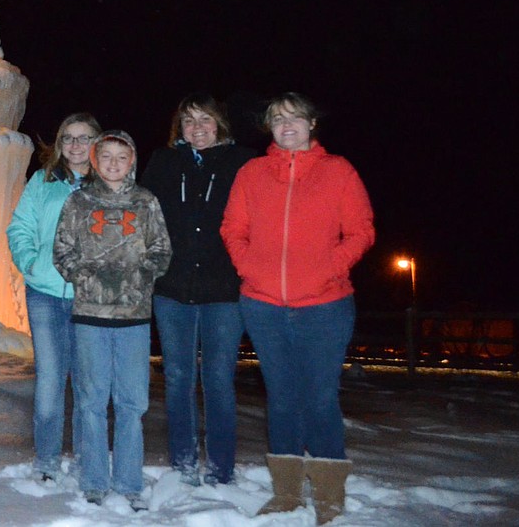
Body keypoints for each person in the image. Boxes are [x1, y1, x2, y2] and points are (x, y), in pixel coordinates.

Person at [220, 92, 375, 525]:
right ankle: (286, 492)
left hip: (325, 305)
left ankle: (328, 493)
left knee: (321, 397)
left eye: (294, 119)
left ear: (311, 124)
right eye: (277, 121)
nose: (286, 126)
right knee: (283, 398)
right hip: (264, 305)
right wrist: (251, 268)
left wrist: (330, 267)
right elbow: (233, 228)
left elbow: (361, 230)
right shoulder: (253, 173)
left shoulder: (337, 171)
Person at [139, 93, 255, 486]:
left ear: (220, 123)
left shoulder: (243, 163)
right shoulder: (164, 162)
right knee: (178, 376)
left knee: (219, 378)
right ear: (179, 128)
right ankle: (183, 462)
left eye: (206, 120)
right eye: (189, 121)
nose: (198, 128)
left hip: (225, 290)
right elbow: (143, 216)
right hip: (172, 289)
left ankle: (221, 467)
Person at [53, 130, 171, 510]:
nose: (114, 164)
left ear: (132, 160)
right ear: (95, 160)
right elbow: (62, 250)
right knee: (90, 399)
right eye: (107, 157)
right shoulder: (79, 202)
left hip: (133, 316)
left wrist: (139, 277)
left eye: (122, 157)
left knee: (132, 401)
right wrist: (85, 277)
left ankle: (129, 480)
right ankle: (94, 480)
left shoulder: (146, 202)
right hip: (90, 315)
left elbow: (161, 250)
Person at [7, 112, 101, 483]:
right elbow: (20, 226)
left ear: (97, 142)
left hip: (89, 298)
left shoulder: (109, 184)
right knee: (49, 379)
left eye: (84, 138)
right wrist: (30, 262)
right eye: (69, 138)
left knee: (87, 383)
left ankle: (84, 460)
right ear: (59, 145)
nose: (76, 145)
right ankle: (46, 461)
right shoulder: (42, 181)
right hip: (45, 293)